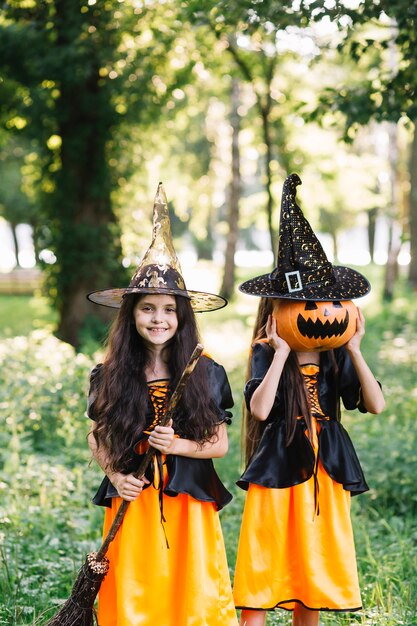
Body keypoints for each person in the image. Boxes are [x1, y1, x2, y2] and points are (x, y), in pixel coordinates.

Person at [233, 174, 385, 626]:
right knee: (264, 559)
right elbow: (259, 410)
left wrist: (355, 348)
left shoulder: (339, 356)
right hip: (278, 461)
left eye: (326, 301)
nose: (319, 312)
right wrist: (281, 352)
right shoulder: (267, 352)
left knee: (313, 562)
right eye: (304, 303)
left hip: (327, 466)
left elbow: (375, 404)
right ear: (279, 308)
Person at [86, 183, 239, 626]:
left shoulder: (205, 371)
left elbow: (219, 444)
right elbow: (97, 436)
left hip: (188, 500)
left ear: (182, 317)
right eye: (148, 309)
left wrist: (178, 446)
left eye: (169, 310)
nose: (159, 319)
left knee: (189, 590)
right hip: (133, 496)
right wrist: (115, 474)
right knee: (138, 589)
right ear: (132, 315)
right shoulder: (109, 373)